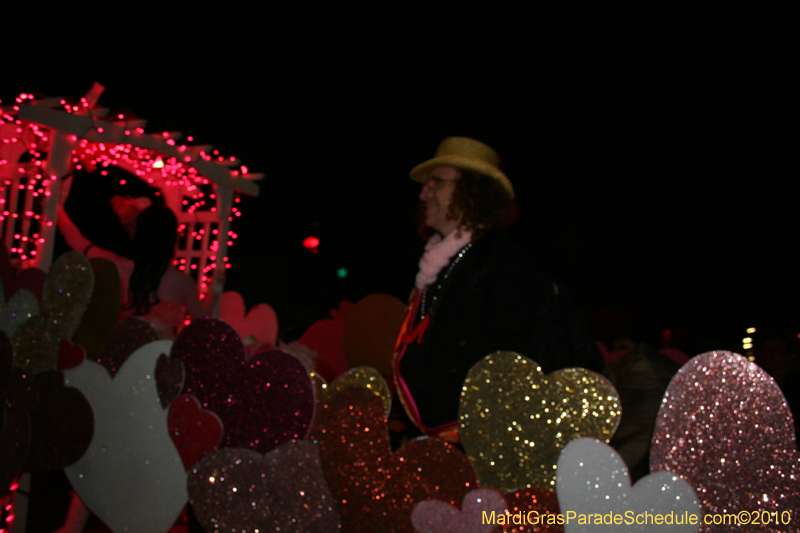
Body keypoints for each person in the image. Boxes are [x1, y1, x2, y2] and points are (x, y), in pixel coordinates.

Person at [393, 137, 602, 441]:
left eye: (437, 182)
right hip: (445, 442)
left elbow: (515, 365)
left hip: (483, 447)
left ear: (472, 193)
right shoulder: (445, 262)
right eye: (427, 183)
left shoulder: (503, 261)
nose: (424, 192)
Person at [57, 188, 221, 339]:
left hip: (121, 355)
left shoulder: (121, 266)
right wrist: (213, 293)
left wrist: (56, 207)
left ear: (139, 235)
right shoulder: (182, 281)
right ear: (172, 239)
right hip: (159, 360)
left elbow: (76, 241)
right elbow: (203, 324)